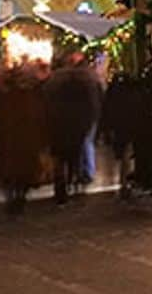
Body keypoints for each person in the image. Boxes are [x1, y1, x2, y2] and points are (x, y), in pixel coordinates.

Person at [44, 53, 103, 204]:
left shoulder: (53, 82)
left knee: (59, 158)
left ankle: (61, 188)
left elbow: (45, 104)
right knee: (74, 155)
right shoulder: (85, 79)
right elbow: (92, 103)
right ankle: (75, 179)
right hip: (76, 123)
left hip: (56, 124)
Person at [0, 67, 48, 215]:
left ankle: (14, 196)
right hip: (25, 141)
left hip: (12, 141)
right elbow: (41, 119)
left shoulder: (5, 98)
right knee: (22, 171)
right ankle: (19, 195)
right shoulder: (30, 98)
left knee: (11, 171)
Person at [100, 74, 146, 200]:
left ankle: (125, 182)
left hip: (120, 129)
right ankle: (127, 181)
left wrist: (106, 130)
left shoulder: (113, 96)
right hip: (131, 127)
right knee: (129, 154)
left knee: (125, 155)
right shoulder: (136, 94)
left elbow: (107, 112)